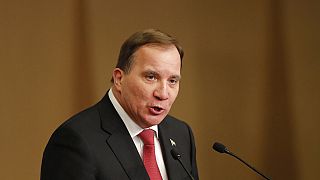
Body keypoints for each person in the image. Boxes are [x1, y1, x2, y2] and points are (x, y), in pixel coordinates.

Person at [41, 29, 199, 180]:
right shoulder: (76, 141)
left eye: (172, 81)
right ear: (119, 79)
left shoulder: (181, 134)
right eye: (151, 77)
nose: (163, 94)